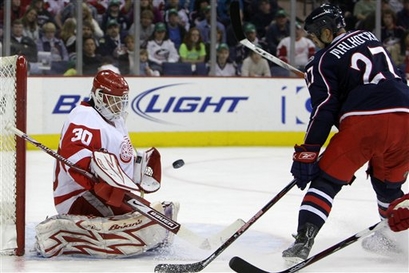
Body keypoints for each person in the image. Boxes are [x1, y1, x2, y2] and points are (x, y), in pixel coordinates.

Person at [282, 3, 409, 262]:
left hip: (365, 123)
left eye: (315, 37)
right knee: (387, 186)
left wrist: (308, 153)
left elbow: (325, 109)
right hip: (406, 116)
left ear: (326, 32)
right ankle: (393, 238)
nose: (315, 42)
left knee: (325, 182)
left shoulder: (321, 62)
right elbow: (389, 77)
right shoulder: (370, 37)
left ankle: (303, 242)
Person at [35, 70, 178, 258]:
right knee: (144, 220)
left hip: (108, 192)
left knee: (152, 215)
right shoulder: (84, 116)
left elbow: (120, 159)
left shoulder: (116, 120)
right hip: (79, 195)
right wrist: (101, 178)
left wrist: (138, 172)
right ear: (99, 96)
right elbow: (75, 158)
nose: (119, 105)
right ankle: (62, 233)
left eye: (122, 100)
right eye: (114, 100)